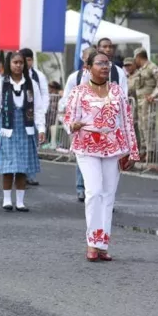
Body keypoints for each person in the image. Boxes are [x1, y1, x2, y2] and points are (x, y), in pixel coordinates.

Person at [64, 50, 139, 262]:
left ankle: (102, 243)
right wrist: (73, 125)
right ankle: (92, 241)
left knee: (108, 196)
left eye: (108, 63)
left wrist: (132, 150)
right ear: (87, 68)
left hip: (113, 147)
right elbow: (68, 118)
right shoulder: (79, 91)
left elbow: (126, 122)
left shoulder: (117, 91)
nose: (105, 67)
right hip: (87, 146)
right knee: (94, 192)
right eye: (100, 63)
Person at [0, 52, 46, 212]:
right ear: (9, 64)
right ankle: (7, 199)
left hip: (25, 128)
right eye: (15, 62)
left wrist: (41, 128)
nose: (19, 65)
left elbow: (38, 108)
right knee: (8, 167)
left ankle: (20, 201)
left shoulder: (31, 84)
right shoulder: (0, 84)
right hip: (7, 129)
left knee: (22, 167)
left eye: (21, 62)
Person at [59, 46, 95, 202]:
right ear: (83, 59)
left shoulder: (105, 75)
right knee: (83, 156)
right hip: (79, 124)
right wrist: (70, 122)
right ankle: (81, 187)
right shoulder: (75, 77)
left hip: (98, 124)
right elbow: (66, 98)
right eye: (88, 58)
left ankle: (94, 189)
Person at [18, 49, 48, 186]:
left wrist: (42, 112)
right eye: (23, 60)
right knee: (19, 147)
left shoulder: (38, 76)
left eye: (29, 59)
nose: (26, 63)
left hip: (34, 116)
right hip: (18, 118)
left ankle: (30, 174)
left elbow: (44, 94)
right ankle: (18, 174)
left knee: (32, 147)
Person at [135, 47, 158, 162]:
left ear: (138, 57)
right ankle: (144, 150)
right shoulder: (141, 69)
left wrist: (153, 95)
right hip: (140, 102)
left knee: (148, 127)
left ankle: (151, 152)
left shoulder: (152, 67)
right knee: (142, 126)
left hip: (149, 102)